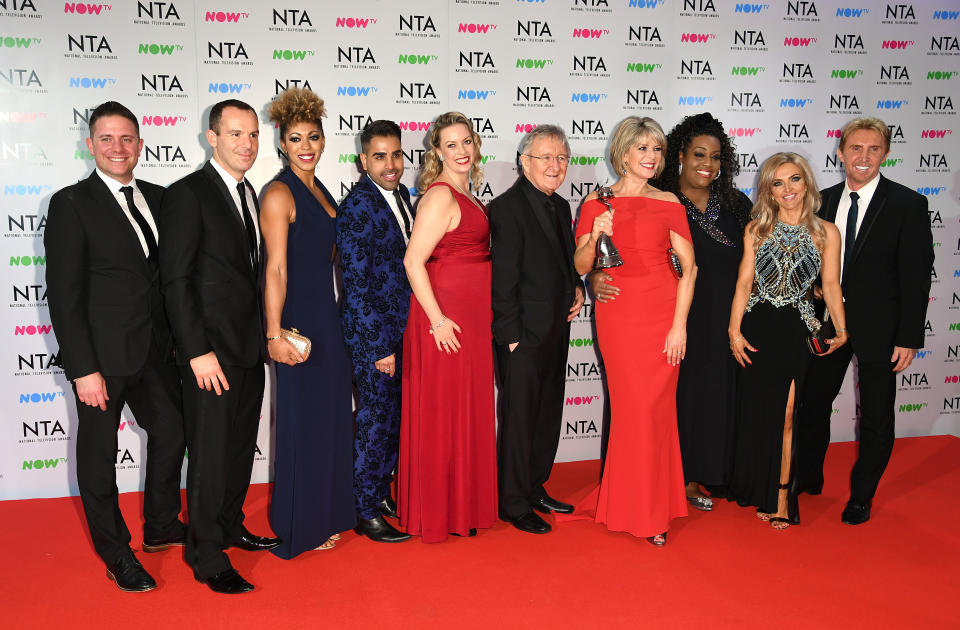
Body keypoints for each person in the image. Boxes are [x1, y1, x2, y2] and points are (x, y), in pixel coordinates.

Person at [45, 101, 186, 592]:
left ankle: (163, 524)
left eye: (127, 138)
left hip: (155, 352)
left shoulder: (161, 198)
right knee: (99, 458)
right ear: (90, 145)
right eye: (107, 139)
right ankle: (115, 552)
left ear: (141, 143)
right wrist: (83, 367)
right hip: (101, 359)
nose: (118, 148)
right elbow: (63, 296)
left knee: (172, 432)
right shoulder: (71, 204)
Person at [592, 113, 751, 510]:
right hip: (662, 315)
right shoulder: (655, 196)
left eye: (716, 157)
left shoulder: (736, 204)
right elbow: (610, 252)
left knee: (711, 396)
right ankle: (656, 482)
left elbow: (754, 259)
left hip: (716, 316)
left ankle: (704, 475)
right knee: (657, 403)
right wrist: (594, 277)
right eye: (699, 154)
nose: (708, 164)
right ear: (680, 156)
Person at [159, 99, 280, 594]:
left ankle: (230, 526)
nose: (247, 144)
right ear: (212, 138)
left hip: (248, 349)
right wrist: (196, 351)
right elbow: (176, 281)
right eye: (235, 134)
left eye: (253, 135)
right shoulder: (187, 194)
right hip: (210, 353)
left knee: (235, 451)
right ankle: (206, 556)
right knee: (208, 455)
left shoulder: (251, 192)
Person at [796, 118, 934, 525]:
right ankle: (808, 477)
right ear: (840, 152)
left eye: (874, 149)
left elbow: (916, 274)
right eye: (856, 148)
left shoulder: (909, 204)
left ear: (885, 154)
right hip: (826, 323)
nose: (864, 157)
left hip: (882, 329)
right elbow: (804, 261)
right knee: (813, 405)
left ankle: (862, 496)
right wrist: (813, 290)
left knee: (876, 416)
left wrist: (909, 336)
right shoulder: (819, 200)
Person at [570, 116, 696, 546]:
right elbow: (582, 266)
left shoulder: (670, 202)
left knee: (656, 410)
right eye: (642, 148)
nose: (651, 157)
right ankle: (638, 506)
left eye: (657, 149)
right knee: (633, 409)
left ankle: (652, 505)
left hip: (662, 313)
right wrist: (593, 238)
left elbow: (690, 268)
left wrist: (679, 325)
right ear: (623, 153)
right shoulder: (597, 202)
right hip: (619, 316)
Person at [727, 153, 848, 530]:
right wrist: (734, 330)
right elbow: (745, 283)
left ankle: (783, 497)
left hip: (798, 329)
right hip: (759, 327)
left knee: (788, 415)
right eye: (777, 183)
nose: (787, 189)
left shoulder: (827, 232)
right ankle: (757, 487)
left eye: (794, 180)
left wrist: (843, 330)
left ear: (807, 183)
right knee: (760, 412)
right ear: (768, 190)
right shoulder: (756, 229)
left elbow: (830, 285)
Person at [259, 88, 355, 558]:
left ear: (323, 139)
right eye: (295, 138)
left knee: (331, 419)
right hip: (298, 322)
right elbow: (275, 268)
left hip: (328, 318)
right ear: (282, 144)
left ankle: (330, 511)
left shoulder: (322, 190)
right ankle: (300, 521)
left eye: (313, 136)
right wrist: (274, 334)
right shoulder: (279, 192)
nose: (305, 145)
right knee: (302, 422)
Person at [399, 112, 497, 542]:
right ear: (436, 152)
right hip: (445, 320)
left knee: (465, 409)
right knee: (444, 413)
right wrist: (437, 320)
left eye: (466, 142)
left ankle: (463, 506)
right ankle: (442, 511)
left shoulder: (468, 192)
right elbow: (412, 261)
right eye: (450, 144)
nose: (461, 151)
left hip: (470, 319)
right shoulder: (439, 196)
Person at [490, 125, 584, 535]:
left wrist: (577, 287)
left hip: (556, 329)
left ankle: (534, 486)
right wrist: (510, 336)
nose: (555, 165)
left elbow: (564, 262)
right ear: (524, 162)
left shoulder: (562, 207)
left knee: (548, 413)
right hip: (522, 335)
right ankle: (512, 502)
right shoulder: (506, 208)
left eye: (562, 157)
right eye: (545, 157)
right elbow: (503, 280)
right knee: (519, 419)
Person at [337, 120, 416, 543]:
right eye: (380, 156)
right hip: (375, 339)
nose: (391, 164)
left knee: (393, 420)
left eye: (397, 154)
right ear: (363, 160)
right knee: (374, 421)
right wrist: (379, 345)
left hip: (403, 332)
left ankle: (380, 492)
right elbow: (356, 283)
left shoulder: (403, 196)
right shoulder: (358, 206)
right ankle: (364, 510)